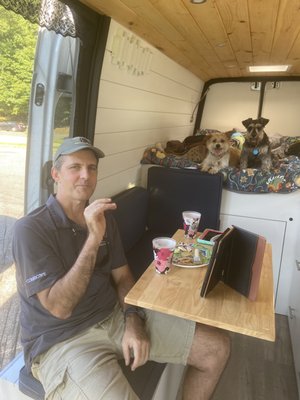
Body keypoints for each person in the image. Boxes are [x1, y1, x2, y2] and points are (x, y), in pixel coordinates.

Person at [13, 137, 230, 400]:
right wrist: (93, 239)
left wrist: (133, 321)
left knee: (216, 348)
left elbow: (123, 277)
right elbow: (60, 307)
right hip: (63, 341)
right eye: (75, 167)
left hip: (113, 317)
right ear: (56, 174)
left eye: (92, 168)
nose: (85, 175)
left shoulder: (105, 218)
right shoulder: (30, 229)